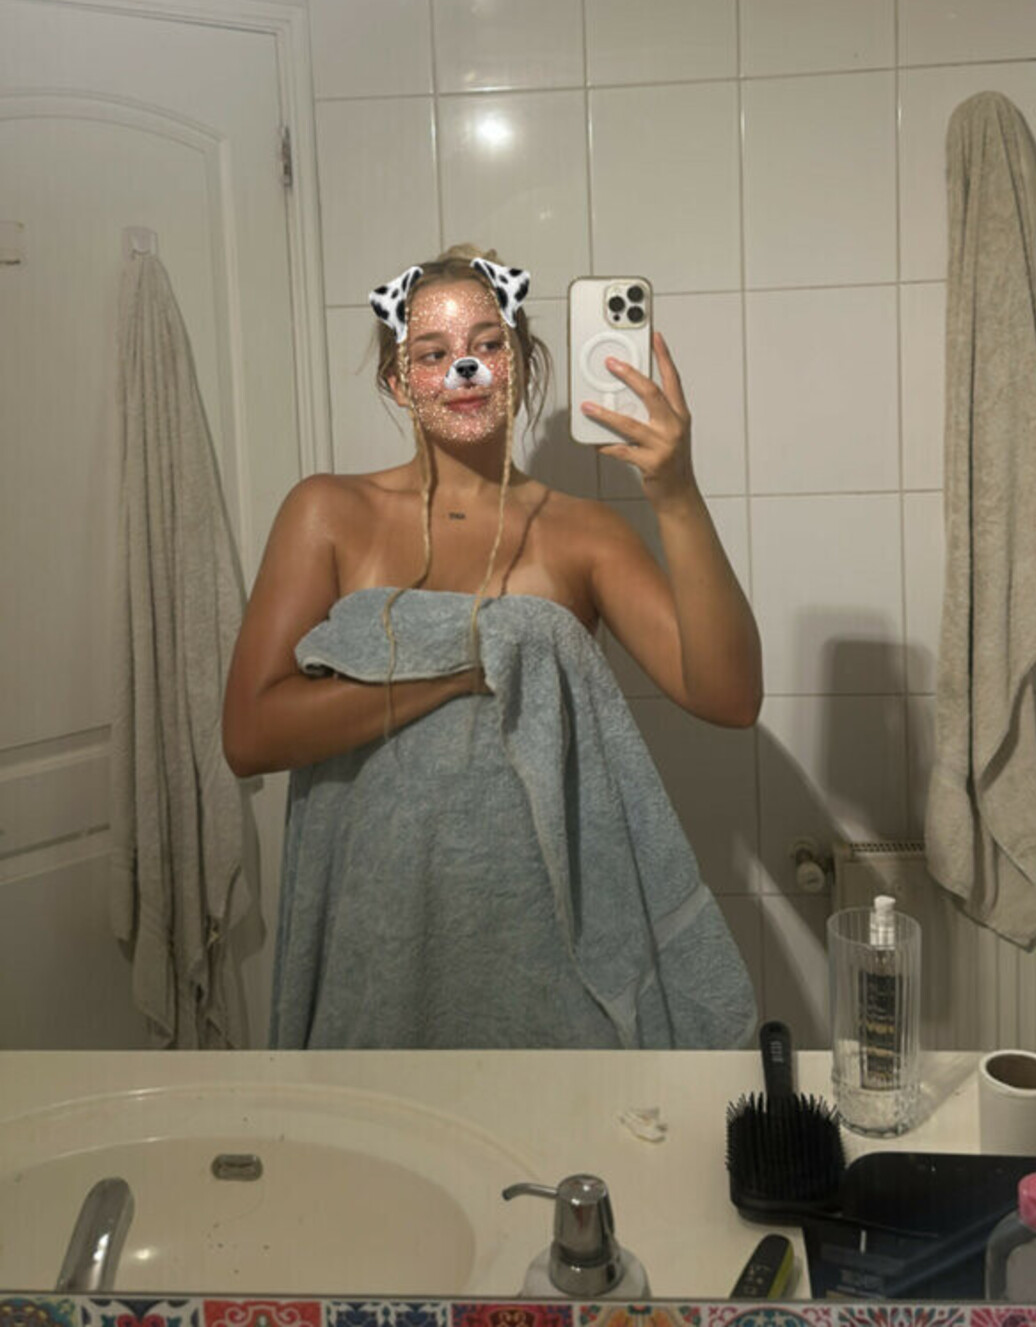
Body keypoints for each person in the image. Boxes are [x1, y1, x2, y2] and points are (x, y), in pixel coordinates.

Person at [223, 244, 763, 1048]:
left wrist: (676, 490)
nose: (463, 368)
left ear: (522, 362)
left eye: (487, 344)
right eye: (431, 353)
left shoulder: (584, 533)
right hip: (379, 942)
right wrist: (459, 671)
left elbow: (729, 696)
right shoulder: (328, 512)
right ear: (397, 380)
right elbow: (249, 733)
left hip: (547, 954)